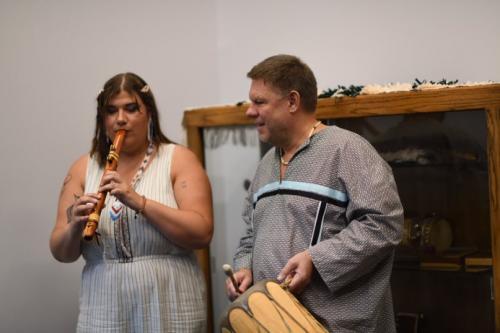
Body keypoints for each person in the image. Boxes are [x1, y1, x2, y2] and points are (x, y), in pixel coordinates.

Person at [225, 55, 404, 332]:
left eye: (260, 102)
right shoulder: (264, 167)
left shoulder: (348, 150)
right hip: (275, 324)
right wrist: (244, 268)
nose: (249, 111)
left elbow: (384, 224)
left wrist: (316, 260)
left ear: (293, 101)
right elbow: (251, 235)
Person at [50, 72, 213, 332]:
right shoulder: (83, 168)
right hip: (105, 306)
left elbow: (201, 233)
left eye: (130, 109)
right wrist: (74, 226)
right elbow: (61, 252)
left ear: (148, 113)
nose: (120, 119)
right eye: (111, 111)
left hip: (169, 301)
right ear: (102, 118)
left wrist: (139, 201)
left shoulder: (179, 159)